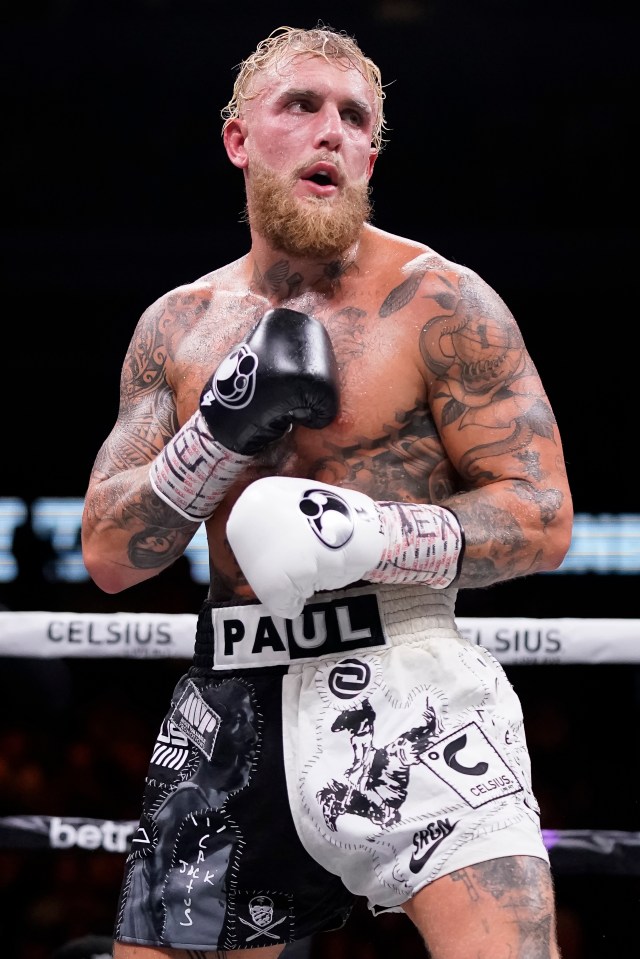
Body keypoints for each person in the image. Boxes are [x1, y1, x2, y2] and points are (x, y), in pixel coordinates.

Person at [81, 22, 573, 959]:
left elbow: (543, 515)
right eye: (301, 106)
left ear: (372, 154)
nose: (331, 132)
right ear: (239, 140)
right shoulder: (177, 326)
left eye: (355, 118)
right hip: (231, 698)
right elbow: (108, 554)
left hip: (415, 692)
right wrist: (217, 433)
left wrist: (371, 535)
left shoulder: (441, 302)